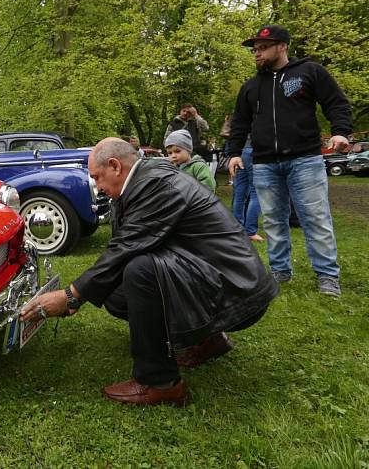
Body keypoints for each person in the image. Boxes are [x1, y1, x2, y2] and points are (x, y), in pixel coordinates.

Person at [20, 138, 277, 406]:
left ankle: (159, 382)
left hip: (239, 290)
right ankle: (207, 342)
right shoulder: (143, 181)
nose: (97, 186)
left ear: (115, 166)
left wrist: (72, 296)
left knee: (140, 270)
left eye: (97, 177)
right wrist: (83, 292)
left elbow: (127, 249)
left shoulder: (155, 185)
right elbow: (124, 246)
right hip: (224, 279)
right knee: (118, 294)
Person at [227, 25, 352, 296]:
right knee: (272, 220)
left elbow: (336, 103)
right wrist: (235, 152)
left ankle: (328, 276)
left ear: (282, 46)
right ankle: (280, 272)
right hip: (264, 164)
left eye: (263, 48)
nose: (256, 54)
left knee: (315, 217)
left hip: (305, 159)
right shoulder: (251, 87)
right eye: (255, 50)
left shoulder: (310, 72)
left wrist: (341, 131)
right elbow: (240, 123)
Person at [231, 136, 263, 242]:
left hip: (241, 152)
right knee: (256, 193)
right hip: (255, 150)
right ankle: (250, 231)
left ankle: (236, 228)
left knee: (240, 192)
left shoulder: (241, 120)